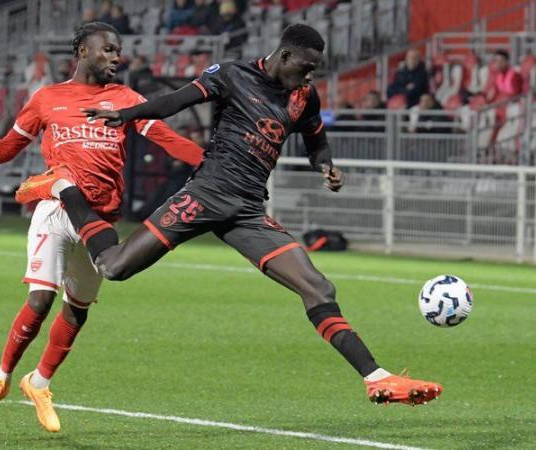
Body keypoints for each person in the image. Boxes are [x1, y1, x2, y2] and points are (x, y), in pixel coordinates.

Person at [39, 24, 443, 407]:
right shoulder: (233, 75)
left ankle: (377, 378)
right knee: (114, 268)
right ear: (284, 56)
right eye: (306, 67)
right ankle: (67, 189)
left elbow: (316, 138)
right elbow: (178, 101)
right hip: (204, 195)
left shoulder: (304, 96)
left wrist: (326, 165)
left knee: (319, 288)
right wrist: (127, 115)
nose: (309, 76)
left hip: (248, 211)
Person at [0, 22, 203, 433]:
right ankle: (2, 377)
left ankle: (39, 383)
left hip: (100, 220)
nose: (117, 56)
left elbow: (169, 139)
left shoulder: (126, 100)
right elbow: (4, 148)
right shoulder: (48, 98)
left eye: (119, 50)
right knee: (41, 299)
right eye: (108, 49)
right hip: (55, 209)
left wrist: (214, 166)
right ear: (82, 50)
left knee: (77, 310)